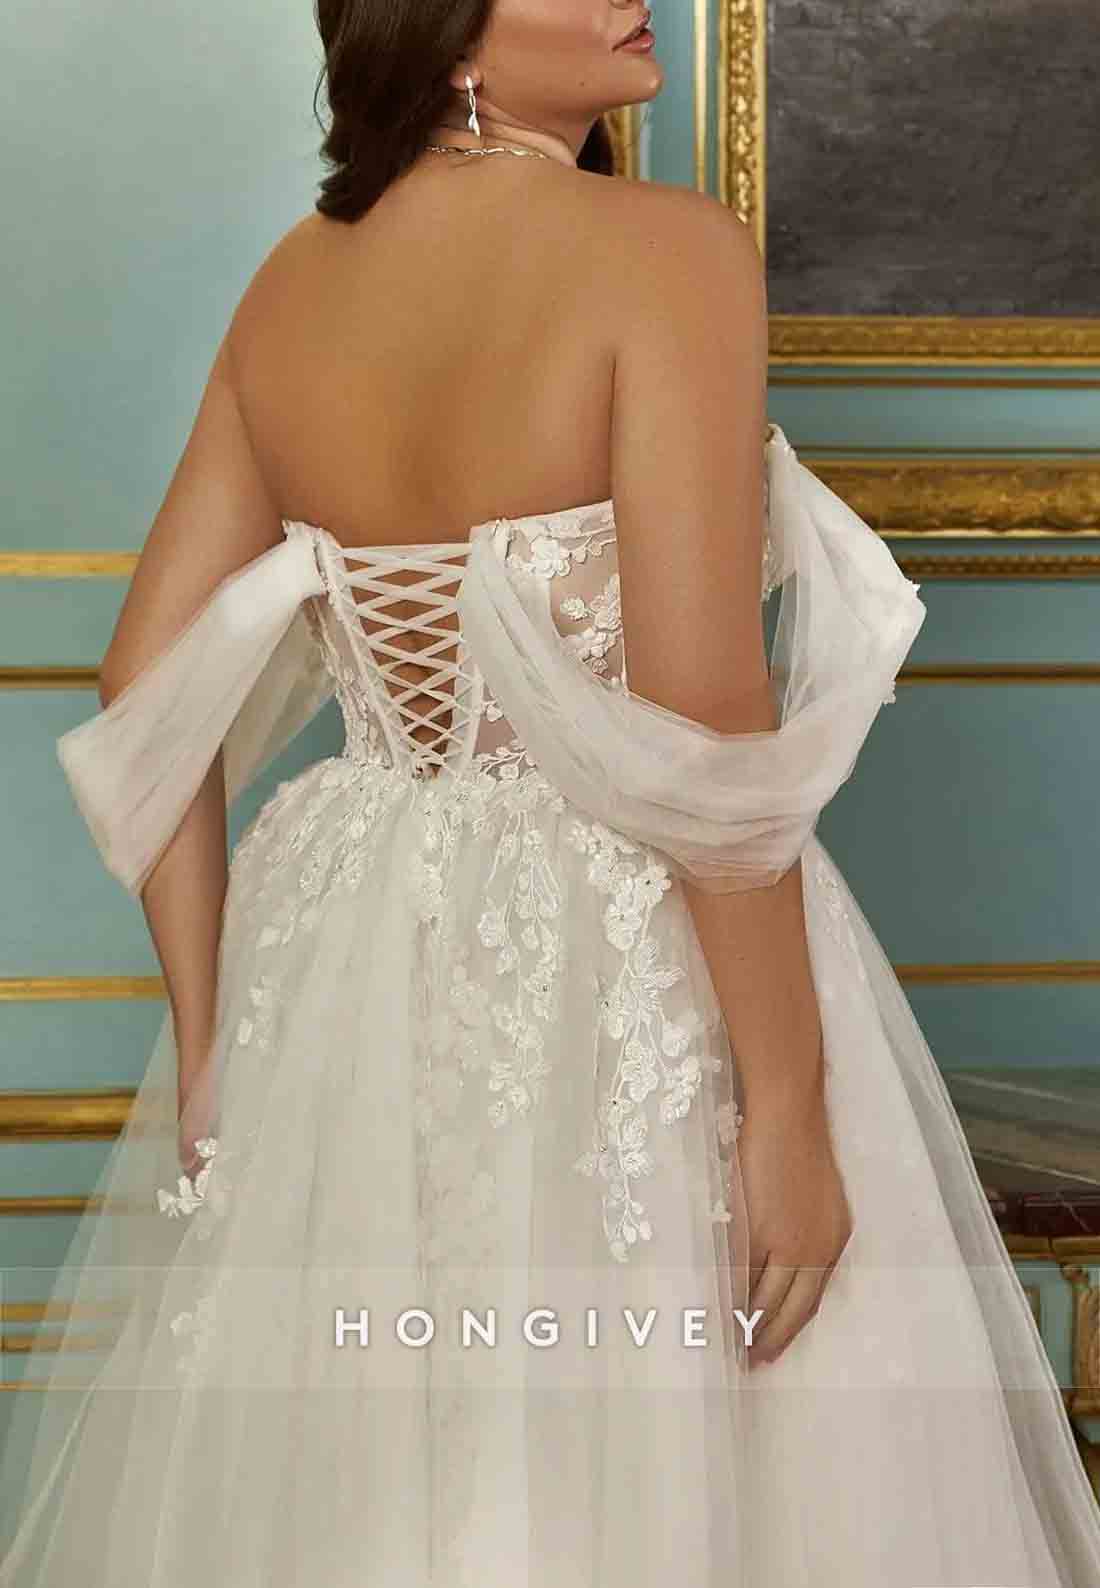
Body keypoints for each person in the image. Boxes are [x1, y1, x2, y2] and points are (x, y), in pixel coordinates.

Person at [3, 2, 1100, 1583]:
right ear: (444, 26)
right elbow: (703, 708)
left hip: (347, 968)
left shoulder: (295, 283)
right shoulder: (667, 253)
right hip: (626, 945)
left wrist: (207, 1045)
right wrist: (788, 1108)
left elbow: (142, 682)